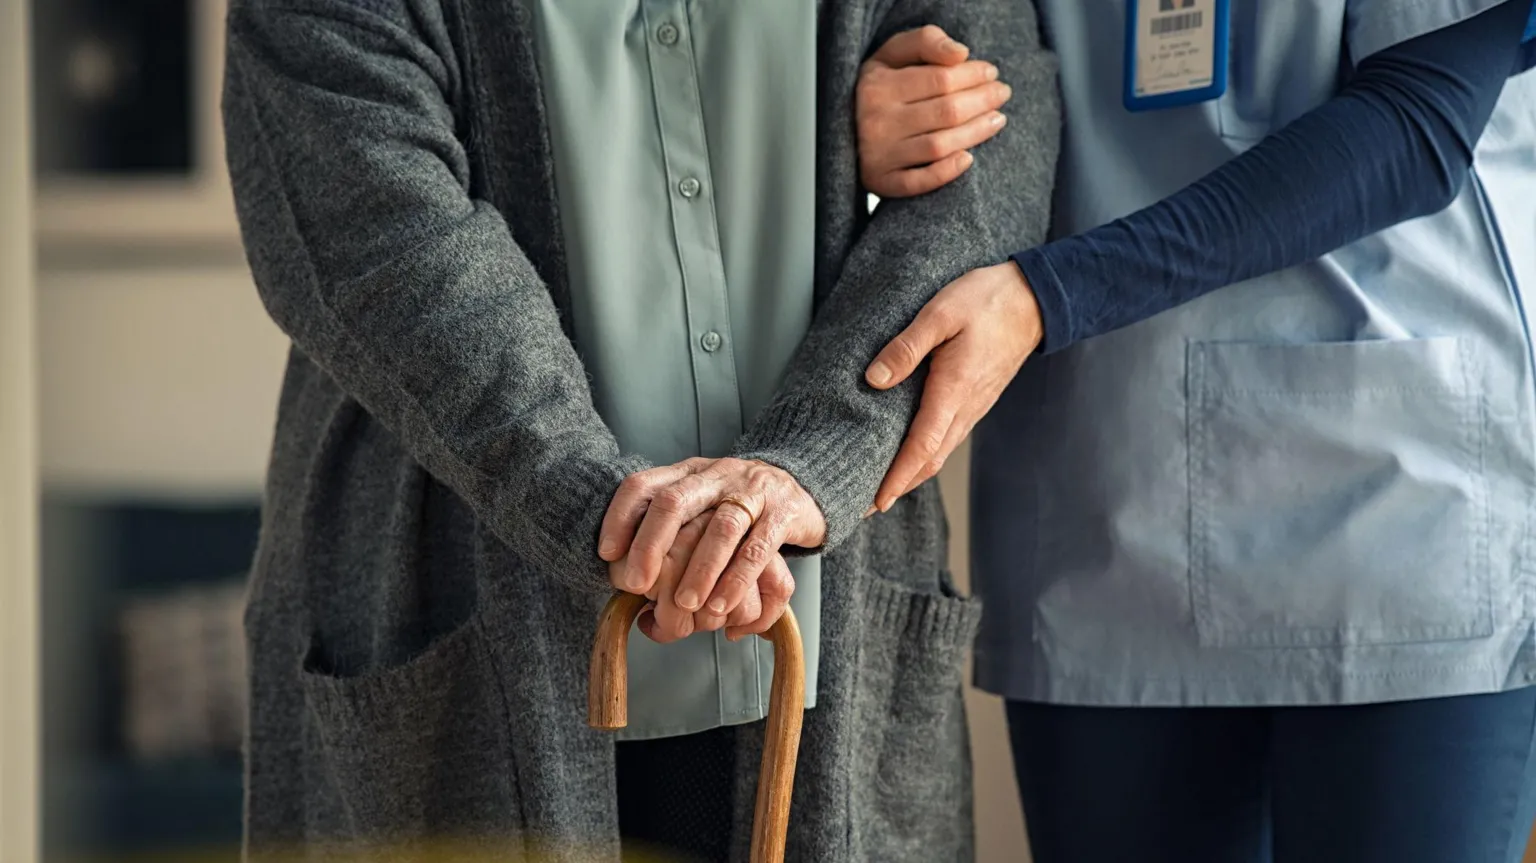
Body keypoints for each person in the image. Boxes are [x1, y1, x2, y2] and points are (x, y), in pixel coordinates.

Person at [222, 0, 1057, 859]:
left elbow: (989, 167)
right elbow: (377, 230)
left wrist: (813, 464)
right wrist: (608, 507)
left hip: (826, 623)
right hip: (464, 617)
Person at [852, 1, 1536, 862]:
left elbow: (1419, 123)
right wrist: (861, 127)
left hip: (1396, 519)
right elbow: (923, 51)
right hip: (1103, 505)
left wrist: (1049, 294)